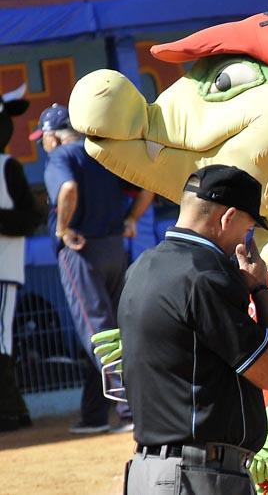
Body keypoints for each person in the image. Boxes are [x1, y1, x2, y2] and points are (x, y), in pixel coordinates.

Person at [117, 164, 268, 494]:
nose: (246, 238)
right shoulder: (206, 274)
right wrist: (261, 289)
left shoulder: (141, 268)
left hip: (146, 474)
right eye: (248, 227)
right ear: (227, 218)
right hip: (196, 477)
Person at [31, 103, 151, 434]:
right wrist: (132, 220)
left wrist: (62, 229)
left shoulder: (61, 156)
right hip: (113, 248)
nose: (44, 144)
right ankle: (95, 413)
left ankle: (132, 410)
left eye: (43, 138)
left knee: (98, 331)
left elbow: (68, 189)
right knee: (105, 328)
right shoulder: (99, 153)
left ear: (53, 137)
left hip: (81, 251)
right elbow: (147, 186)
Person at [0, 84, 44, 431]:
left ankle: (13, 412)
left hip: (3, 268)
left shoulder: (7, 167)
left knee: (1, 340)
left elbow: (31, 217)